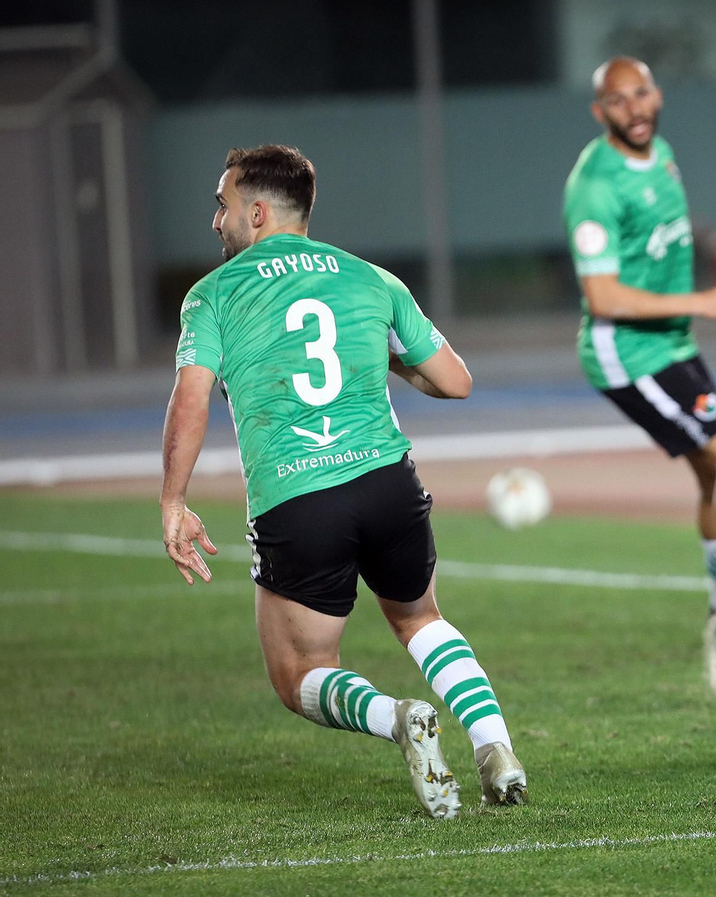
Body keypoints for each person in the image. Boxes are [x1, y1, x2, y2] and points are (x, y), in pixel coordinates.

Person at [159, 145, 526, 818]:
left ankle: (397, 717)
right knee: (420, 618)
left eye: (223, 204)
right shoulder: (370, 278)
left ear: (259, 212)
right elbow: (455, 381)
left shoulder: (212, 295)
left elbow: (191, 398)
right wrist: (379, 359)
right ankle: (495, 744)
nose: (216, 221)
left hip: (300, 499)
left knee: (297, 671)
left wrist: (174, 499)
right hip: (388, 484)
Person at [563, 57, 716, 650]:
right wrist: (703, 301)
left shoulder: (660, 152)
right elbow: (602, 294)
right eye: (618, 101)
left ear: (657, 94)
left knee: (713, 470)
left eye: (641, 94)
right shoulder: (595, 185)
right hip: (630, 353)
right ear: (599, 112)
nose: (634, 108)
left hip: (668, 342)